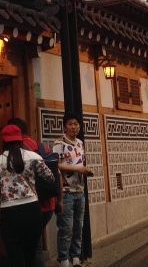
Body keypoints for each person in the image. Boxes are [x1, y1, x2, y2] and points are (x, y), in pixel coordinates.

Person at [0, 123, 55, 267]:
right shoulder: (33, 157)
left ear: (4, 141)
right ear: (20, 139)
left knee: (15, 257)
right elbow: (50, 177)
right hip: (32, 210)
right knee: (31, 255)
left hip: (9, 213)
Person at [7, 117, 60, 267]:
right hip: (48, 205)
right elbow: (55, 176)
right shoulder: (43, 147)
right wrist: (59, 201)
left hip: (28, 208)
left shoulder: (12, 153)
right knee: (34, 246)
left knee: (26, 249)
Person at [53, 112, 93, 267]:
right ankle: (63, 259)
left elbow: (80, 162)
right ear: (64, 126)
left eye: (76, 124)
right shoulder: (59, 143)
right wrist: (78, 168)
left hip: (79, 190)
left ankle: (75, 257)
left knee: (78, 226)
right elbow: (56, 164)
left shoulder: (80, 143)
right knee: (66, 227)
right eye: (70, 124)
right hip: (65, 192)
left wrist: (85, 171)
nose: (74, 127)